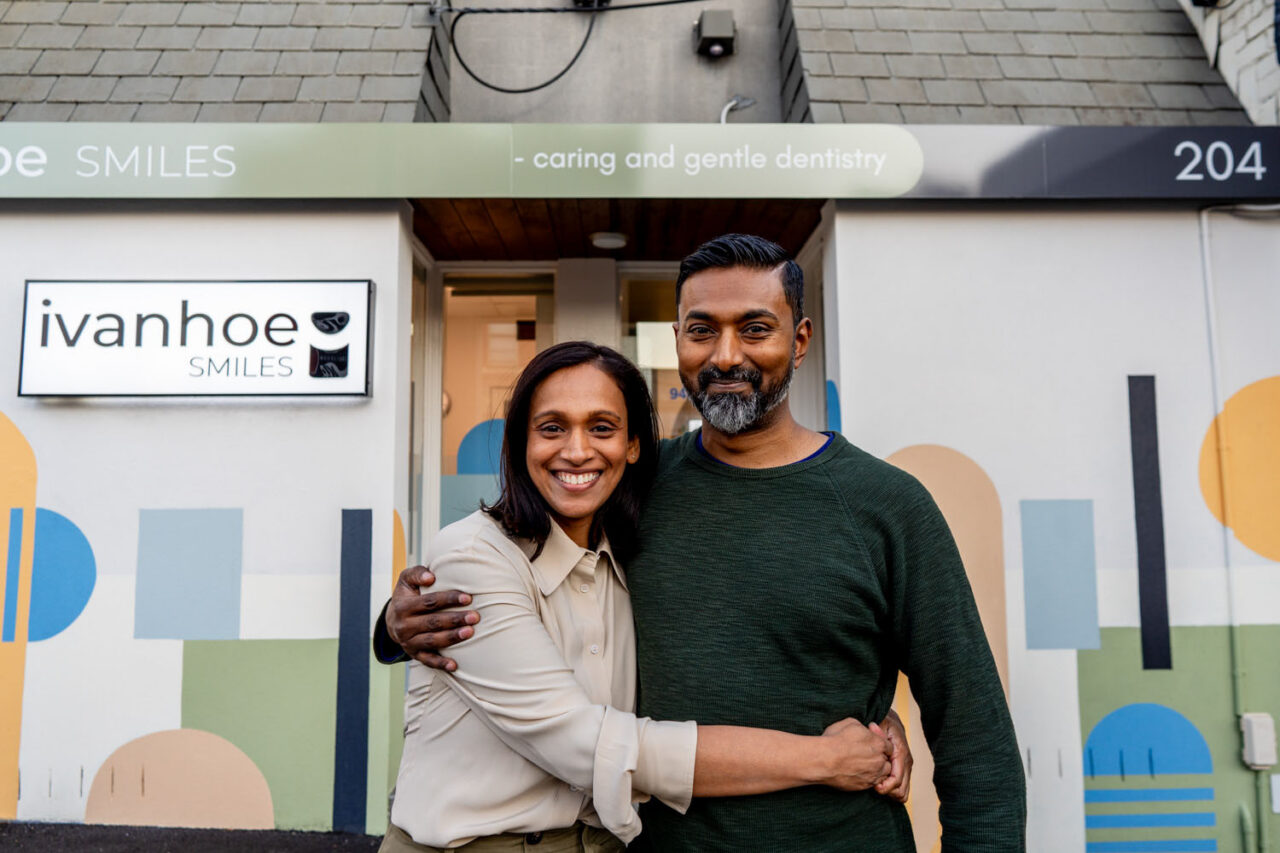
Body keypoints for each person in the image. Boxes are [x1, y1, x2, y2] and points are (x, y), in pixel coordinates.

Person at [380, 234, 1025, 851]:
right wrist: (394, 625)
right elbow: (512, 569)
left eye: (754, 328)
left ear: (800, 341)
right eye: (701, 330)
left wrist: (886, 730)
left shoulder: (887, 505)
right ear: (678, 341)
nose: (724, 356)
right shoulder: (632, 487)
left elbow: (974, 739)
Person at [379, 340, 910, 853]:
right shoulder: (475, 555)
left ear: (634, 446)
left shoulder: (631, 552)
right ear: (521, 441)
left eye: (603, 428)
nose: (577, 450)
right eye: (552, 428)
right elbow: (588, 746)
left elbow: (734, 653)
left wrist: (867, 713)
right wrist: (823, 759)